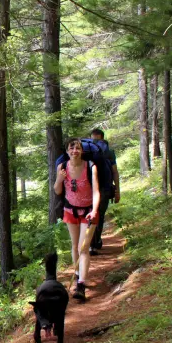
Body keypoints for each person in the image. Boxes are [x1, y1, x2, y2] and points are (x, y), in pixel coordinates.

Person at [54, 138, 100, 301]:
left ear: (82, 151)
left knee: (83, 247)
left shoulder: (90, 166)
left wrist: (94, 210)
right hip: (70, 211)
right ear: (67, 151)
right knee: (74, 246)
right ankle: (78, 272)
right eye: (71, 148)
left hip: (88, 212)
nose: (74, 151)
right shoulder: (62, 167)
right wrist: (60, 178)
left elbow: (96, 191)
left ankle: (81, 284)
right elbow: (58, 190)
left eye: (77, 148)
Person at [89, 128, 120, 255]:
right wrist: (117, 190)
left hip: (88, 189)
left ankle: (89, 244)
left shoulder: (87, 151)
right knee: (99, 215)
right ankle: (95, 243)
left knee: (88, 214)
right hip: (104, 189)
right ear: (103, 138)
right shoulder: (109, 152)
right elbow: (114, 172)